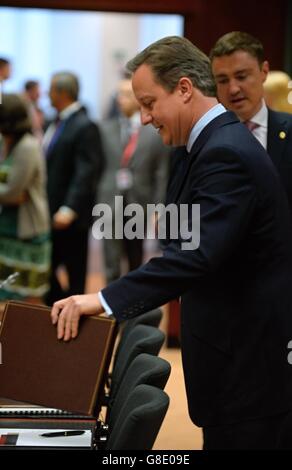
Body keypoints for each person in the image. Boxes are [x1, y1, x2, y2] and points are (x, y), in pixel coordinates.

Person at [51, 36, 292, 449]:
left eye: (149, 103)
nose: (144, 117)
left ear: (183, 89)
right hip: (233, 354)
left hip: (249, 363)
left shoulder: (225, 152)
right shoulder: (202, 145)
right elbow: (180, 241)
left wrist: (105, 299)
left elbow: (195, 255)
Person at [210, 31, 292, 215]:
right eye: (223, 80)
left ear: (264, 72)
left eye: (241, 76)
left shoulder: (289, 131)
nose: (233, 89)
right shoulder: (204, 140)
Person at [98, 72, 170, 283]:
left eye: (126, 94)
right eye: (118, 94)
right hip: (109, 201)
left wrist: (158, 207)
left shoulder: (155, 132)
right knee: (110, 258)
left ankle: (132, 309)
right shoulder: (105, 129)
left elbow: (161, 173)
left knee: (135, 258)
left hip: (140, 201)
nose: (121, 99)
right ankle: (108, 308)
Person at [43, 72, 104, 305]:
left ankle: (78, 331)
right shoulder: (53, 121)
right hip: (50, 210)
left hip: (71, 215)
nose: (48, 94)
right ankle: (60, 309)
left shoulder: (85, 125)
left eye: (51, 89)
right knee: (46, 270)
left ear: (62, 93)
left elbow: (86, 172)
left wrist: (69, 208)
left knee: (75, 273)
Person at [0, 94, 50, 301]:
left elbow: (13, 191)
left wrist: (9, 194)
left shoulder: (27, 146)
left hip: (28, 230)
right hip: (6, 227)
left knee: (29, 295)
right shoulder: (6, 141)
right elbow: (11, 194)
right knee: (6, 290)